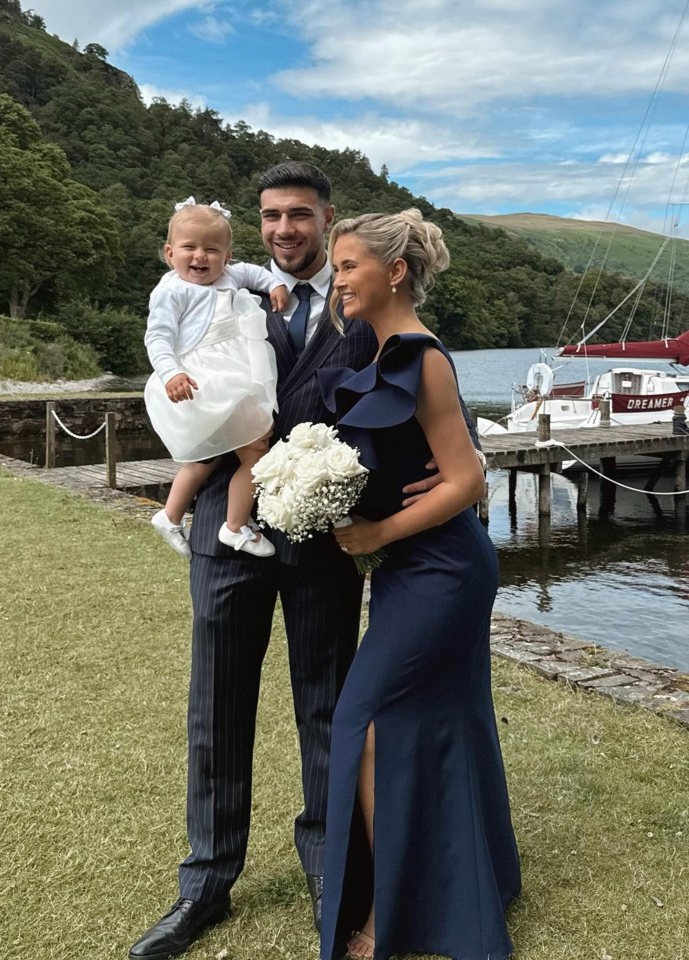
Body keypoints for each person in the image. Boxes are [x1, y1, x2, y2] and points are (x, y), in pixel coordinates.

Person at [129, 163, 481, 960]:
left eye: (298, 215)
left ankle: (330, 870)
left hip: (327, 540)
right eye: (269, 216)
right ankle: (205, 884)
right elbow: (170, 377)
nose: (283, 229)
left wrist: (450, 462)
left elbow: (425, 384)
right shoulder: (214, 288)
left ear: (326, 219)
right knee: (215, 707)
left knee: (326, 707)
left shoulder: (363, 301)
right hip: (230, 525)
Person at [318, 209, 521, 960]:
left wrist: (372, 536)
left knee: (362, 723)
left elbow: (465, 478)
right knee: (445, 720)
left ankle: (390, 915)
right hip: (414, 570)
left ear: (393, 272)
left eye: (348, 267)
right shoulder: (379, 349)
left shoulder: (419, 355)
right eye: (337, 267)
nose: (338, 280)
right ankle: (473, 882)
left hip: (444, 569)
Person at [144, 198, 288, 558]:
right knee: (251, 450)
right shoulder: (171, 290)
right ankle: (234, 525)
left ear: (227, 256)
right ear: (169, 252)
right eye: (189, 248)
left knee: (215, 456)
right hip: (199, 382)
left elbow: (256, 273)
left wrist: (274, 285)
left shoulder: (230, 275)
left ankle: (172, 515)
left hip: (235, 376)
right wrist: (170, 372)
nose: (200, 257)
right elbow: (157, 337)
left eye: (212, 249)